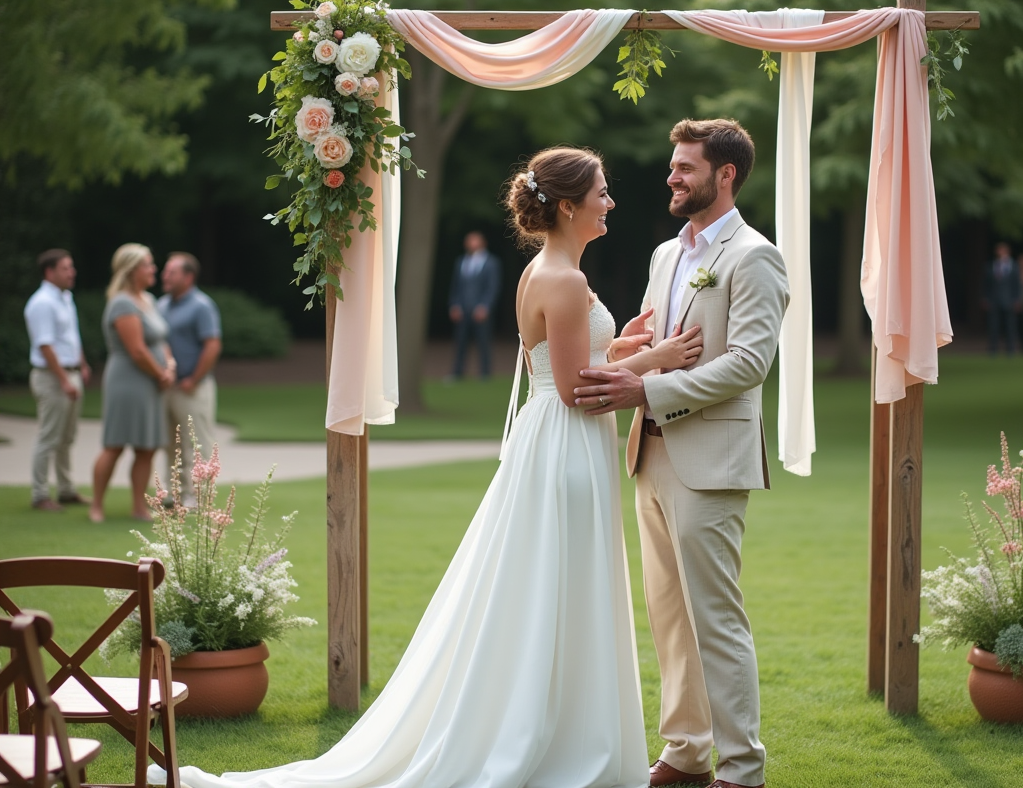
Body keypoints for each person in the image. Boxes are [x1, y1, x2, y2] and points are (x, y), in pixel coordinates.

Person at [153, 146, 703, 788]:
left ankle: (557, 725)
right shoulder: (566, 279)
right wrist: (655, 357)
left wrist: (620, 345)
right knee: (560, 585)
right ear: (567, 204)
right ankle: (555, 737)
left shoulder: (540, 271)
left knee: (549, 586)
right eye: (602, 193)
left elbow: (567, 361)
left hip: (554, 439)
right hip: (567, 443)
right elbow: (578, 387)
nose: (610, 202)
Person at [574, 118, 790, 788]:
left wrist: (647, 387)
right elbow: (656, 342)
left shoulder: (755, 256)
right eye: (673, 166)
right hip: (651, 452)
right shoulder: (669, 254)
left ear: (725, 176)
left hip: (711, 460)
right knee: (668, 614)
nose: (672, 176)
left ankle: (743, 767)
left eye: (685, 167)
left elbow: (749, 364)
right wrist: (629, 356)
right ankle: (688, 750)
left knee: (715, 619)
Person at [90, 244, 174, 523]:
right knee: (115, 444)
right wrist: (160, 374)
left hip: (151, 382)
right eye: (148, 264)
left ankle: (138, 506)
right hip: (128, 380)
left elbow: (159, 339)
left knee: (146, 446)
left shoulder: (147, 299)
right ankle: (96, 506)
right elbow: (137, 350)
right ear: (131, 270)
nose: (154, 269)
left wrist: (169, 365)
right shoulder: (122, 303)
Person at [23, 248, 91, 511]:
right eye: (66, 268)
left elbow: (71, 337)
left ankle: (65, 489)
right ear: (49, 272)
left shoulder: (65, 298)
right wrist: (64, 379)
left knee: (67, 436)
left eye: (71, 267)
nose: (71, 272)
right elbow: (45, 345)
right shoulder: (42, 302)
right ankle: (40, 494)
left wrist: (81, 364)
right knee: (49, 436)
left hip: (70, 374)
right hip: (52, 377)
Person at [158, 251, 222, 506]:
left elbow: (212, 345)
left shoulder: (201, 305)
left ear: (188, 276)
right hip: (167, 386)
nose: (165, 276)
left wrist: (194, 379)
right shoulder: (160, 305)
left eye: (171, 272)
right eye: (165, 271)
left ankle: (198, 496)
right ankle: (173, 493)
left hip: (192, 387)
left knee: (196, 444)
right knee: (170, 444)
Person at [448, 231, 502, 379]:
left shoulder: (492, 263)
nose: (472, 244)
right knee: (460, 343)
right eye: (470, 241)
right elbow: (456, 286)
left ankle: (485, 374)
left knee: (483, 342)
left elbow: (493, 287)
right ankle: (457, 373)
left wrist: (485, 306)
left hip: (481, 310)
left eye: (475, 241)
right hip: (463, 309)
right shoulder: (461, 261)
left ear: (483, 243)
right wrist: (454, 304)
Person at [983, 242, 1021, 356]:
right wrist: (985, 298)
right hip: (994, 300)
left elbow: (1017, 284)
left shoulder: (1014, 266)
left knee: (1010, 326)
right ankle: (993, 349)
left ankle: (1010, 349)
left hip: (1009, 300)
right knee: (993, 325)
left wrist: (1017, 299)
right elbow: (985, 284)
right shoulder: (991, 266)